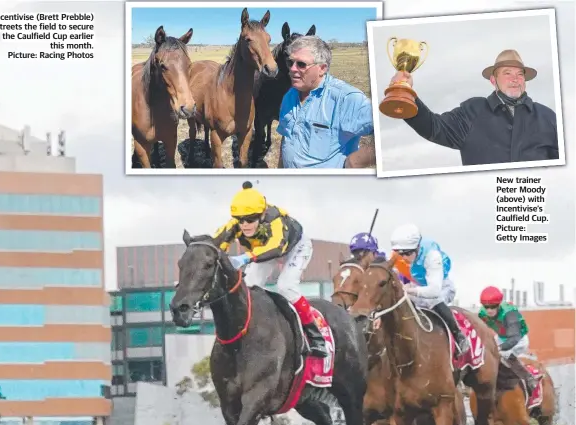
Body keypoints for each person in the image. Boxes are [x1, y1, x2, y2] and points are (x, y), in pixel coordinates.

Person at [212, 181, 327, 358]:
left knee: (285, 286)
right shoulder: (235, 224)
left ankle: (315, 336)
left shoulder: (275, 220)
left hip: (294, 248)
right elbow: (215, 243)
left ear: (262, 214)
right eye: (241, 220)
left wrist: (245, 257)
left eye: (250, 219)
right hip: (264, 251)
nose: (245, 225)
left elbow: (276, 248)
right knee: (248, 286)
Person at [388, 49, 559, 165]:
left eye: (519, 74)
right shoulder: (473, 111)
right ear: (494, 80)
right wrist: (405, 94)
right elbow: (434, 127)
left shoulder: (548, 117)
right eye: (507, 73)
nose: (515, 79)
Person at [276, 35, 375, 169]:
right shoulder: (290, 95)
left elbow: (392, 133)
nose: (293, 69)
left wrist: (354, 162)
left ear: (322, 68)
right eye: (290, 62)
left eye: (301, 64)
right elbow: (287, 138)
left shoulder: (345, 98)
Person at [389, 223, 471, 356]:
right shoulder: (400, 253)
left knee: (433, 301)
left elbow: (434, 291)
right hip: (419, 286)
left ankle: (459, 337)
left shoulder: (432, 256)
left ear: (417, 247)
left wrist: (410, 290)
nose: (404, 258)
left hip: (442, 288)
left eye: (408, 253)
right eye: (400, 254)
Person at [479, 286, 539, 394]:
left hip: (519, 339)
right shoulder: (482, 313)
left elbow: (514, 338)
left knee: (505, 356)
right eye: (486, 307)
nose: (489, 310)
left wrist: (499, 347)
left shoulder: (509, 313)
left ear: (498, 304)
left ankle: (529, 378)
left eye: (493, 307)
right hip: (501, 338)